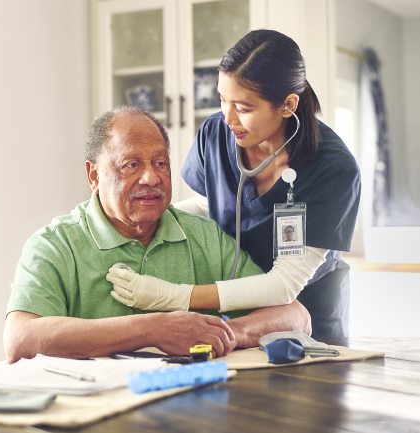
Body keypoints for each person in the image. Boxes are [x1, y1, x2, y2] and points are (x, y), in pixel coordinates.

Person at [4, 106, 311, 365]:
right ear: (94, 176)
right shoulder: (54, 245)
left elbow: (295, 316)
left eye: (160, 163)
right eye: (132, 165)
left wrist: (227, 333)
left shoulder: (204, 237)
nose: (151, 177)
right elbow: (20, 340)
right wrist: (155, 329)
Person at [116, 30, 360, 338]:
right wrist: (136, 220)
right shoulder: (216, 134)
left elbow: (285, 284)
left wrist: (175, 295)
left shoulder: (333, 168)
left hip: (307, 312)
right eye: (222, 99)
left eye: (243, 109)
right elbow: (206, 206)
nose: (227, 117)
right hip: (233, 305)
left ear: (287, 105)